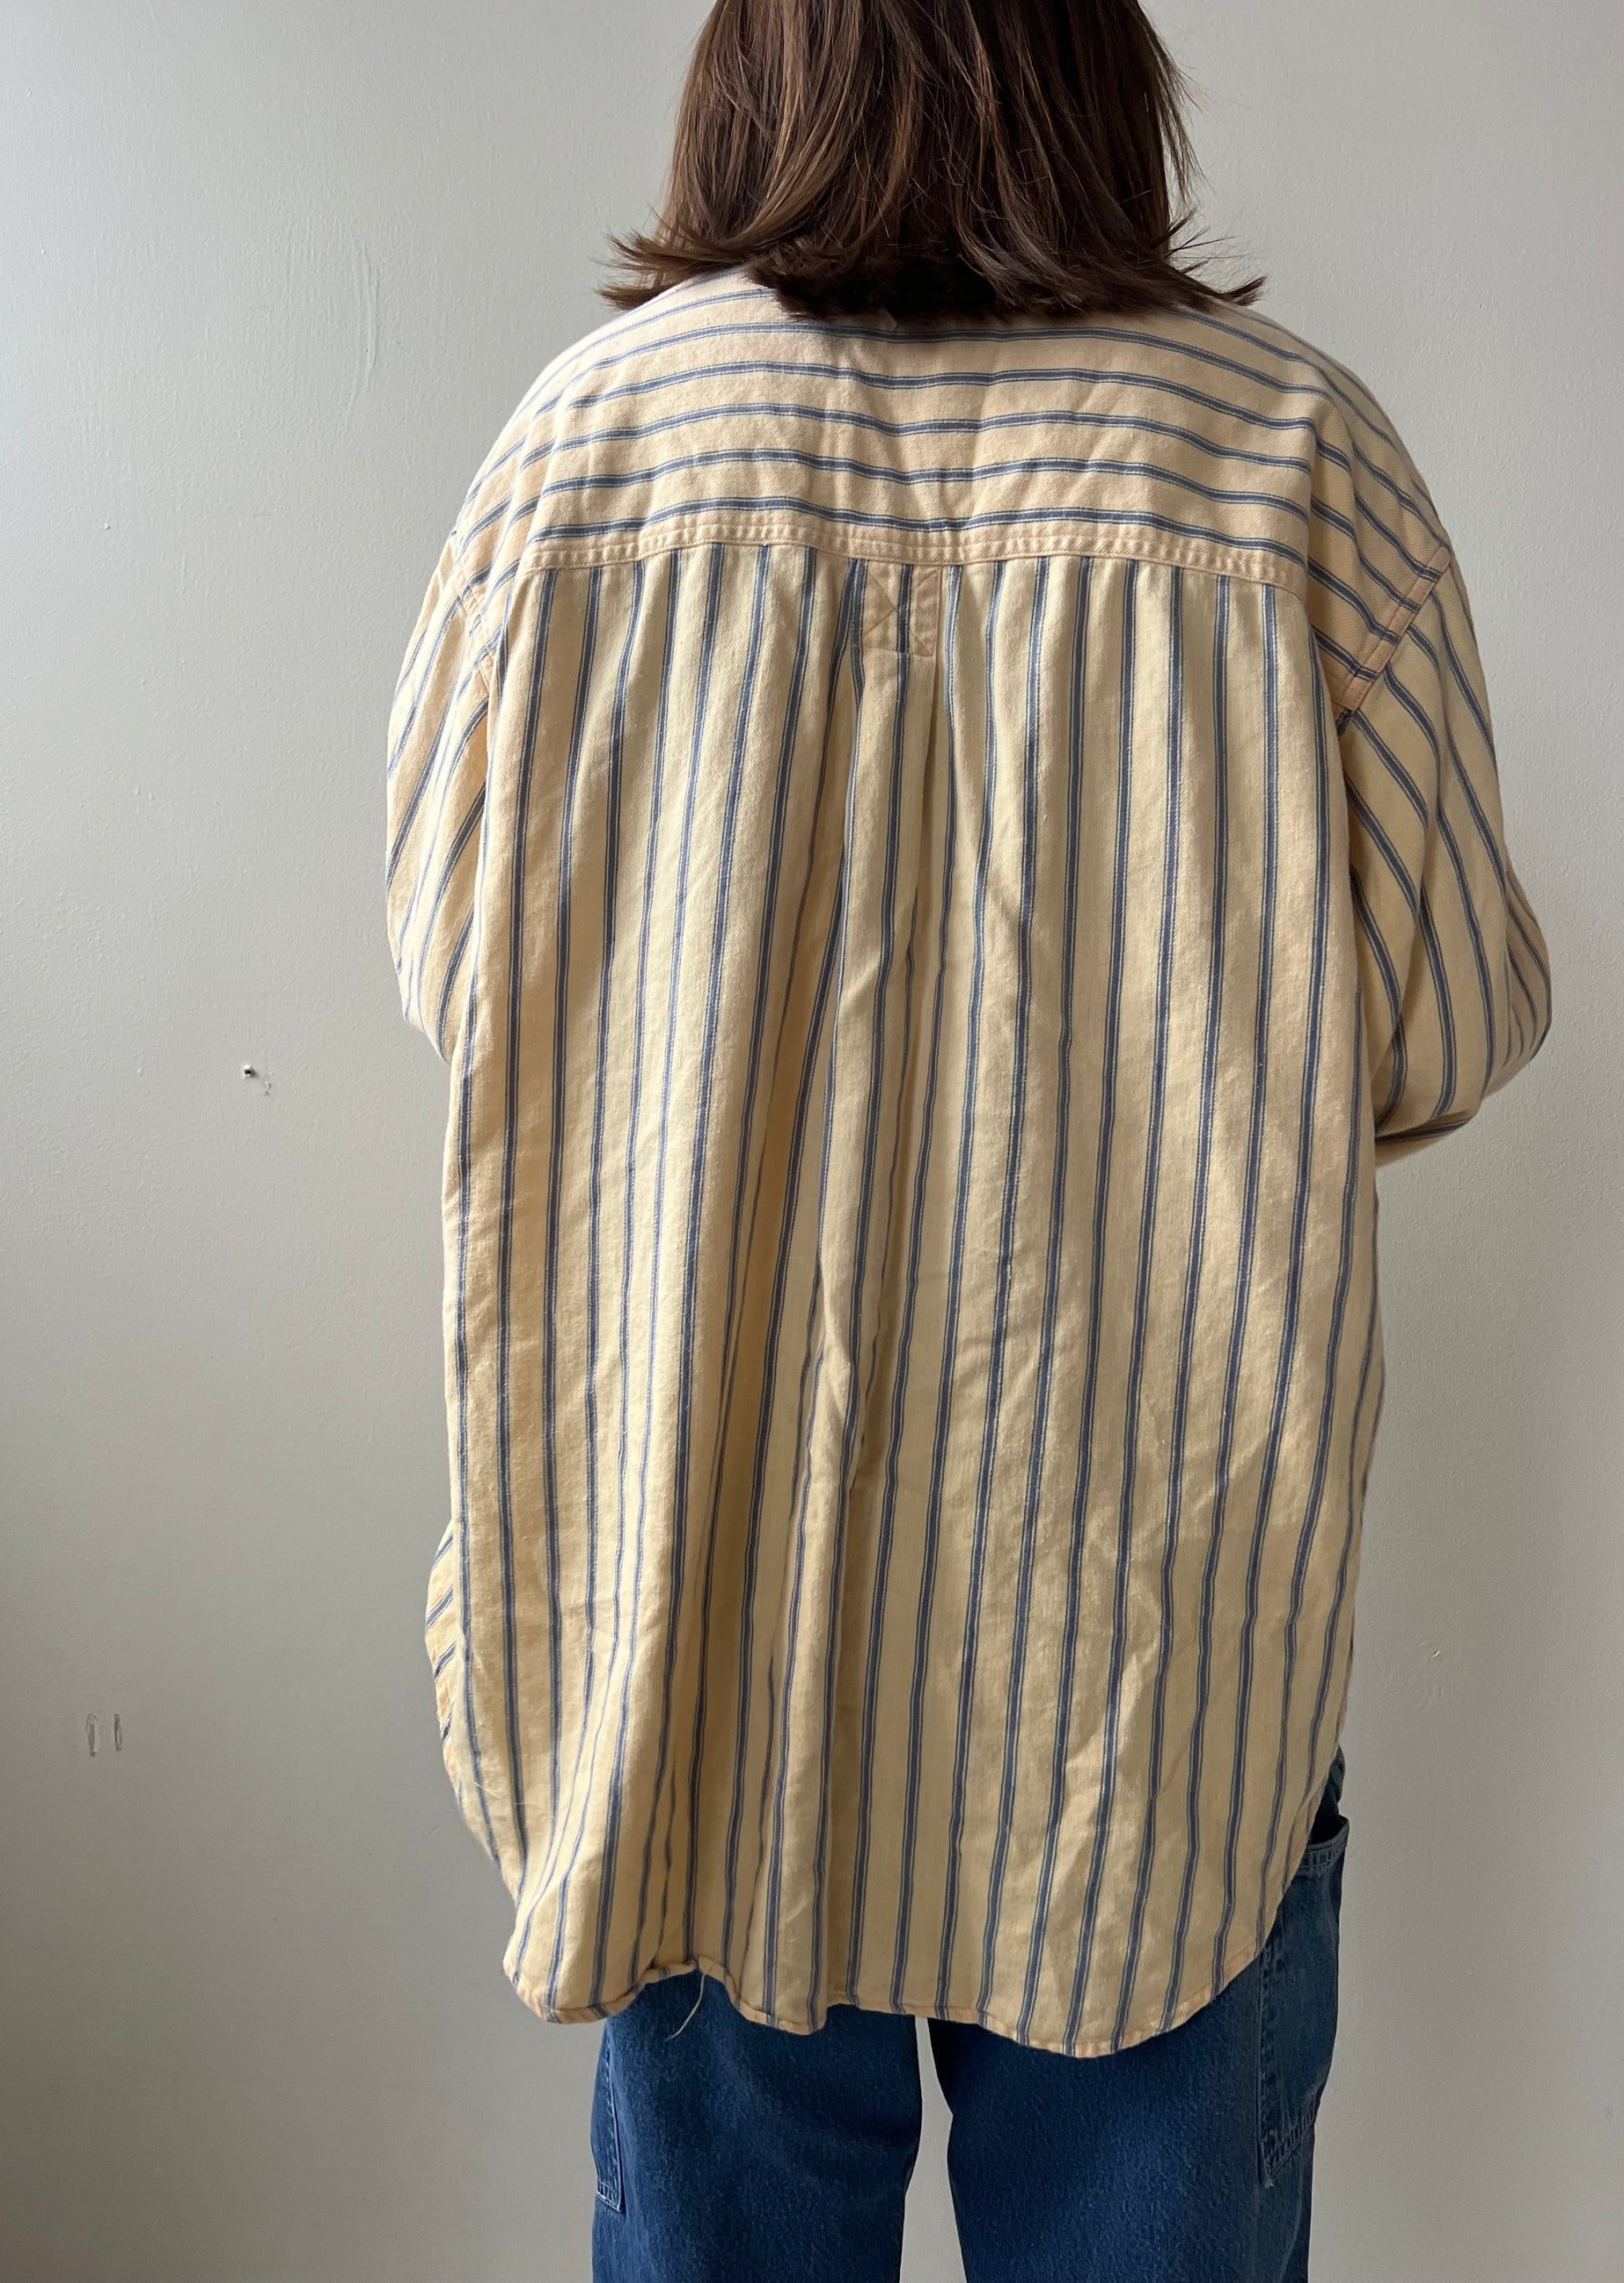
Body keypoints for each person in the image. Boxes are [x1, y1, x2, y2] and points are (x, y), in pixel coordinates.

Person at [384, 3, 1551, 2276]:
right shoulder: (1291, 463)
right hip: (1146, 1656)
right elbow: (1438, 1021)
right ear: (1095, 78)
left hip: (693, 1621)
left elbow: (463, 978)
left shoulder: (581, 459)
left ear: (760, 76)